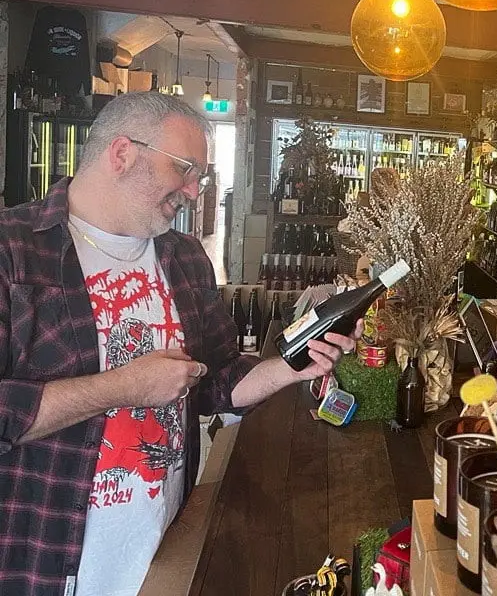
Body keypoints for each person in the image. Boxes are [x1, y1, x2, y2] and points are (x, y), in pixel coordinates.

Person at [0, 93, 359, 596]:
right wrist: (120, 387)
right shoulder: (14, 250)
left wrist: (293, 366)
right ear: (122, 154)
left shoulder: (184, 257)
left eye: (201, 177)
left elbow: (216, 383)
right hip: (45, 559)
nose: (194, 191)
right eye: (186, 169)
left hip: (164, 550)